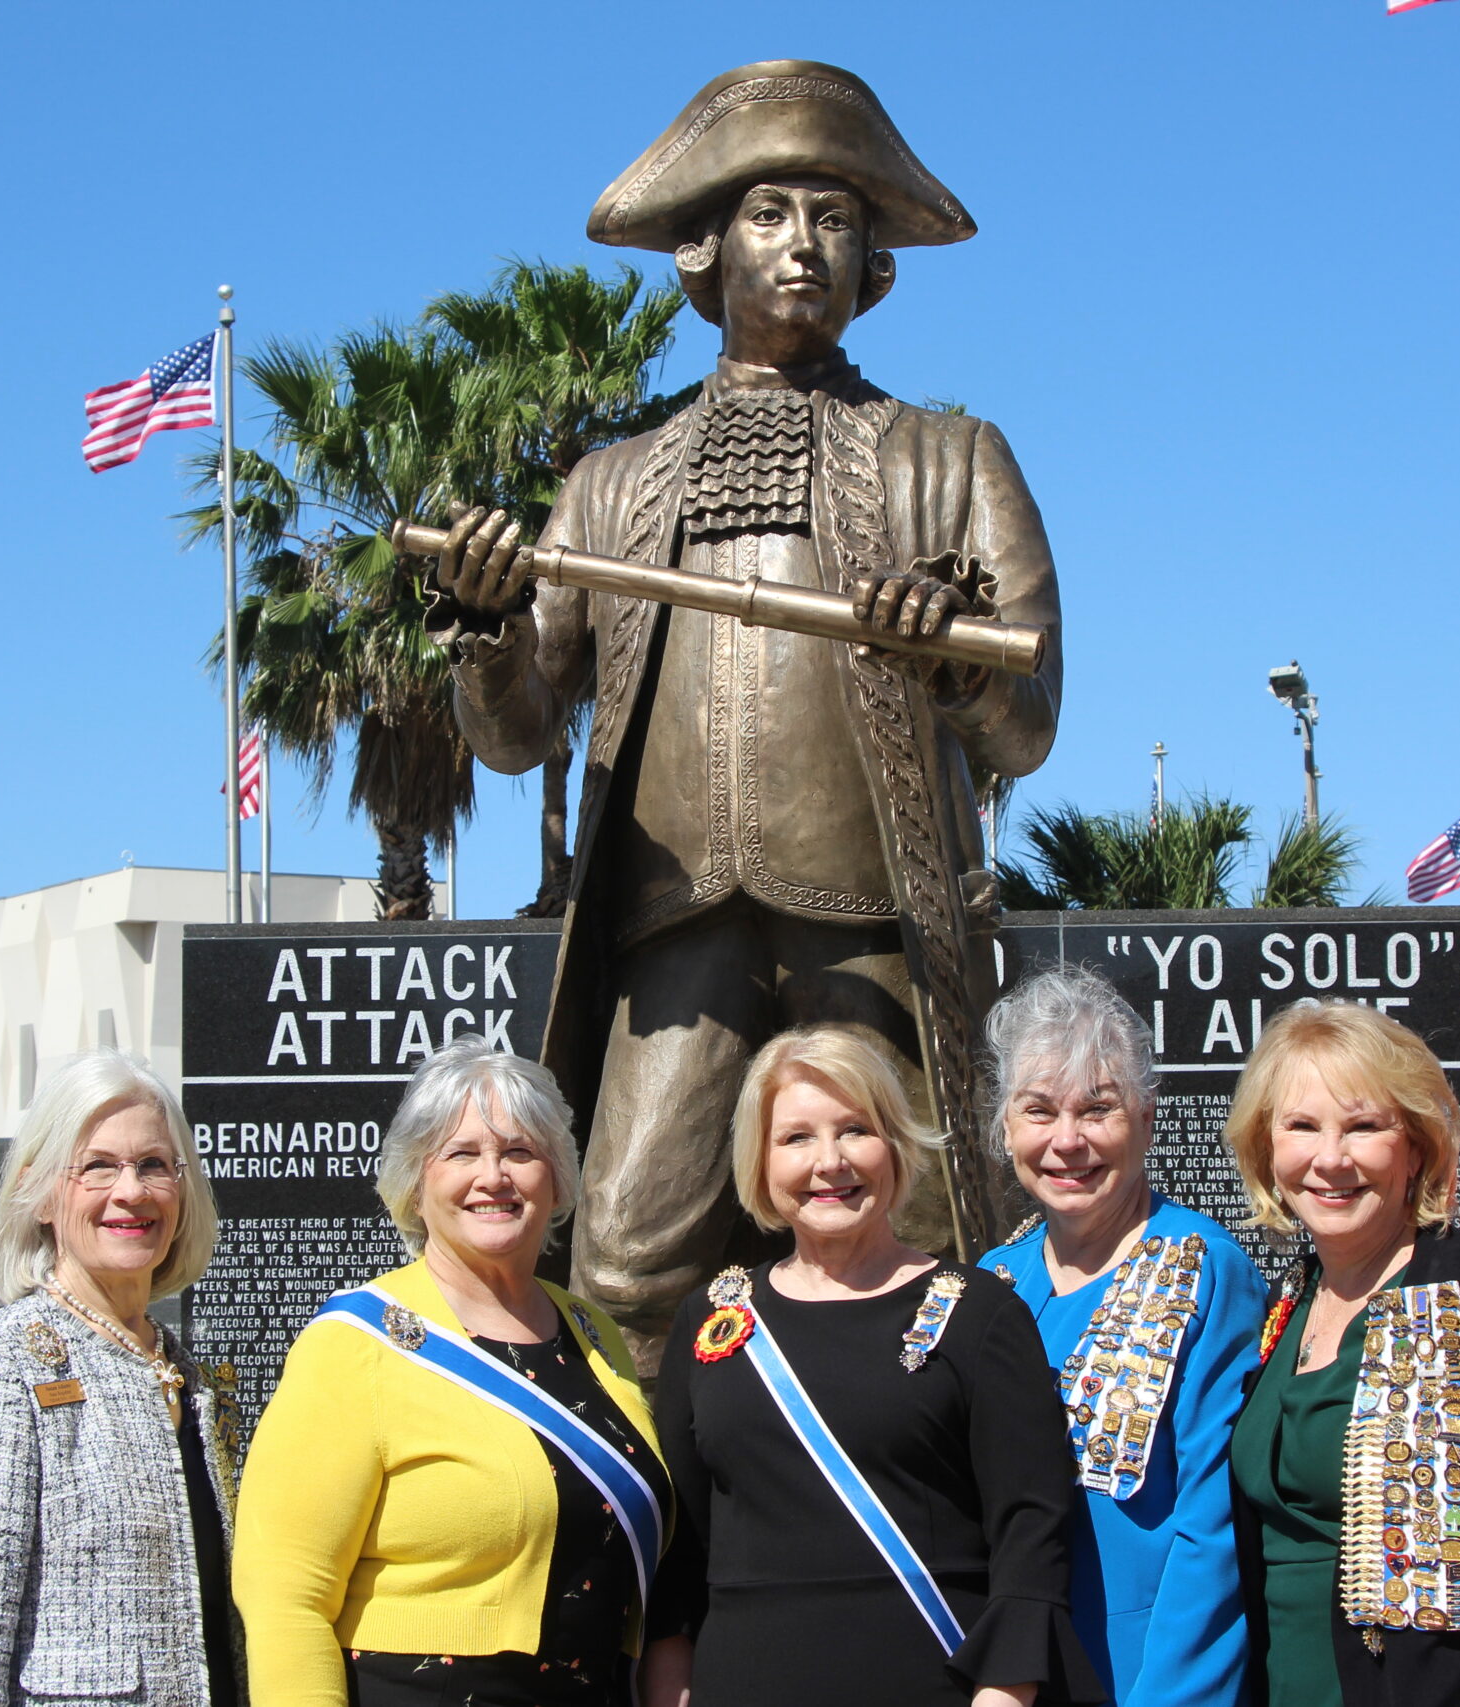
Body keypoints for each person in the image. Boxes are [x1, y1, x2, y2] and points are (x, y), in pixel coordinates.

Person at [422, 60, 1067, 1363]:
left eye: (835, 217)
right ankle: (671, 1536)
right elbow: (517, 730)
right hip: (678, 931)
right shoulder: (611, 481)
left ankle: (914, 1523)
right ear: (703, 250)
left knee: (920, 1241)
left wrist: (953, 664)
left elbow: (1030, 717)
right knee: (625, 1253)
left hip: (876, 915)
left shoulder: (950, 456)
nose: (805, 245)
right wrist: (488, 631)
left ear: (876, 260)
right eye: (771, 212)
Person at [654, 1024, 1103, 1707]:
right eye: (796, 1137)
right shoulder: (709, 1319)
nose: (829, 1162)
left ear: (894, 1144)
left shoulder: (979, 1314)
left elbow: (1031, 1543)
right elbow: (679, 1562)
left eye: (855, 1130)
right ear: (760, 1160)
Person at [234, 1038, 670, 1707]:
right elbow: (283, 1597)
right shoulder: (353, 1345)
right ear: (416, 1180)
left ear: (555, 1178)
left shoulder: (594, 1333)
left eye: (519, 1152)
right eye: (462, 1152)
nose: (492, 1176)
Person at [1225, 1002, 1460, 1707]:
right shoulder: (1287, 1305)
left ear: (1415, 1147)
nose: (1331, 1158)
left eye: (1363, 1126)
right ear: (1268, 1148)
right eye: (1302, 1125)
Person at [0, 1052, 243, 1707]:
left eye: (153, 1165)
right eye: (97, 1165)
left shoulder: (184, 1375)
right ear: (40, 1192)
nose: (131, 1191)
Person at [975, 967, 1266, 1706]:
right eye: (1039, 1111)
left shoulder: (1204, 1266)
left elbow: (1214, 1528)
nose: (1067, 1141)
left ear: (1146, 1114)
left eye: (1097, 1109)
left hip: (1142, 1675)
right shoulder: (990, 1281)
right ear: (1004, 1125)